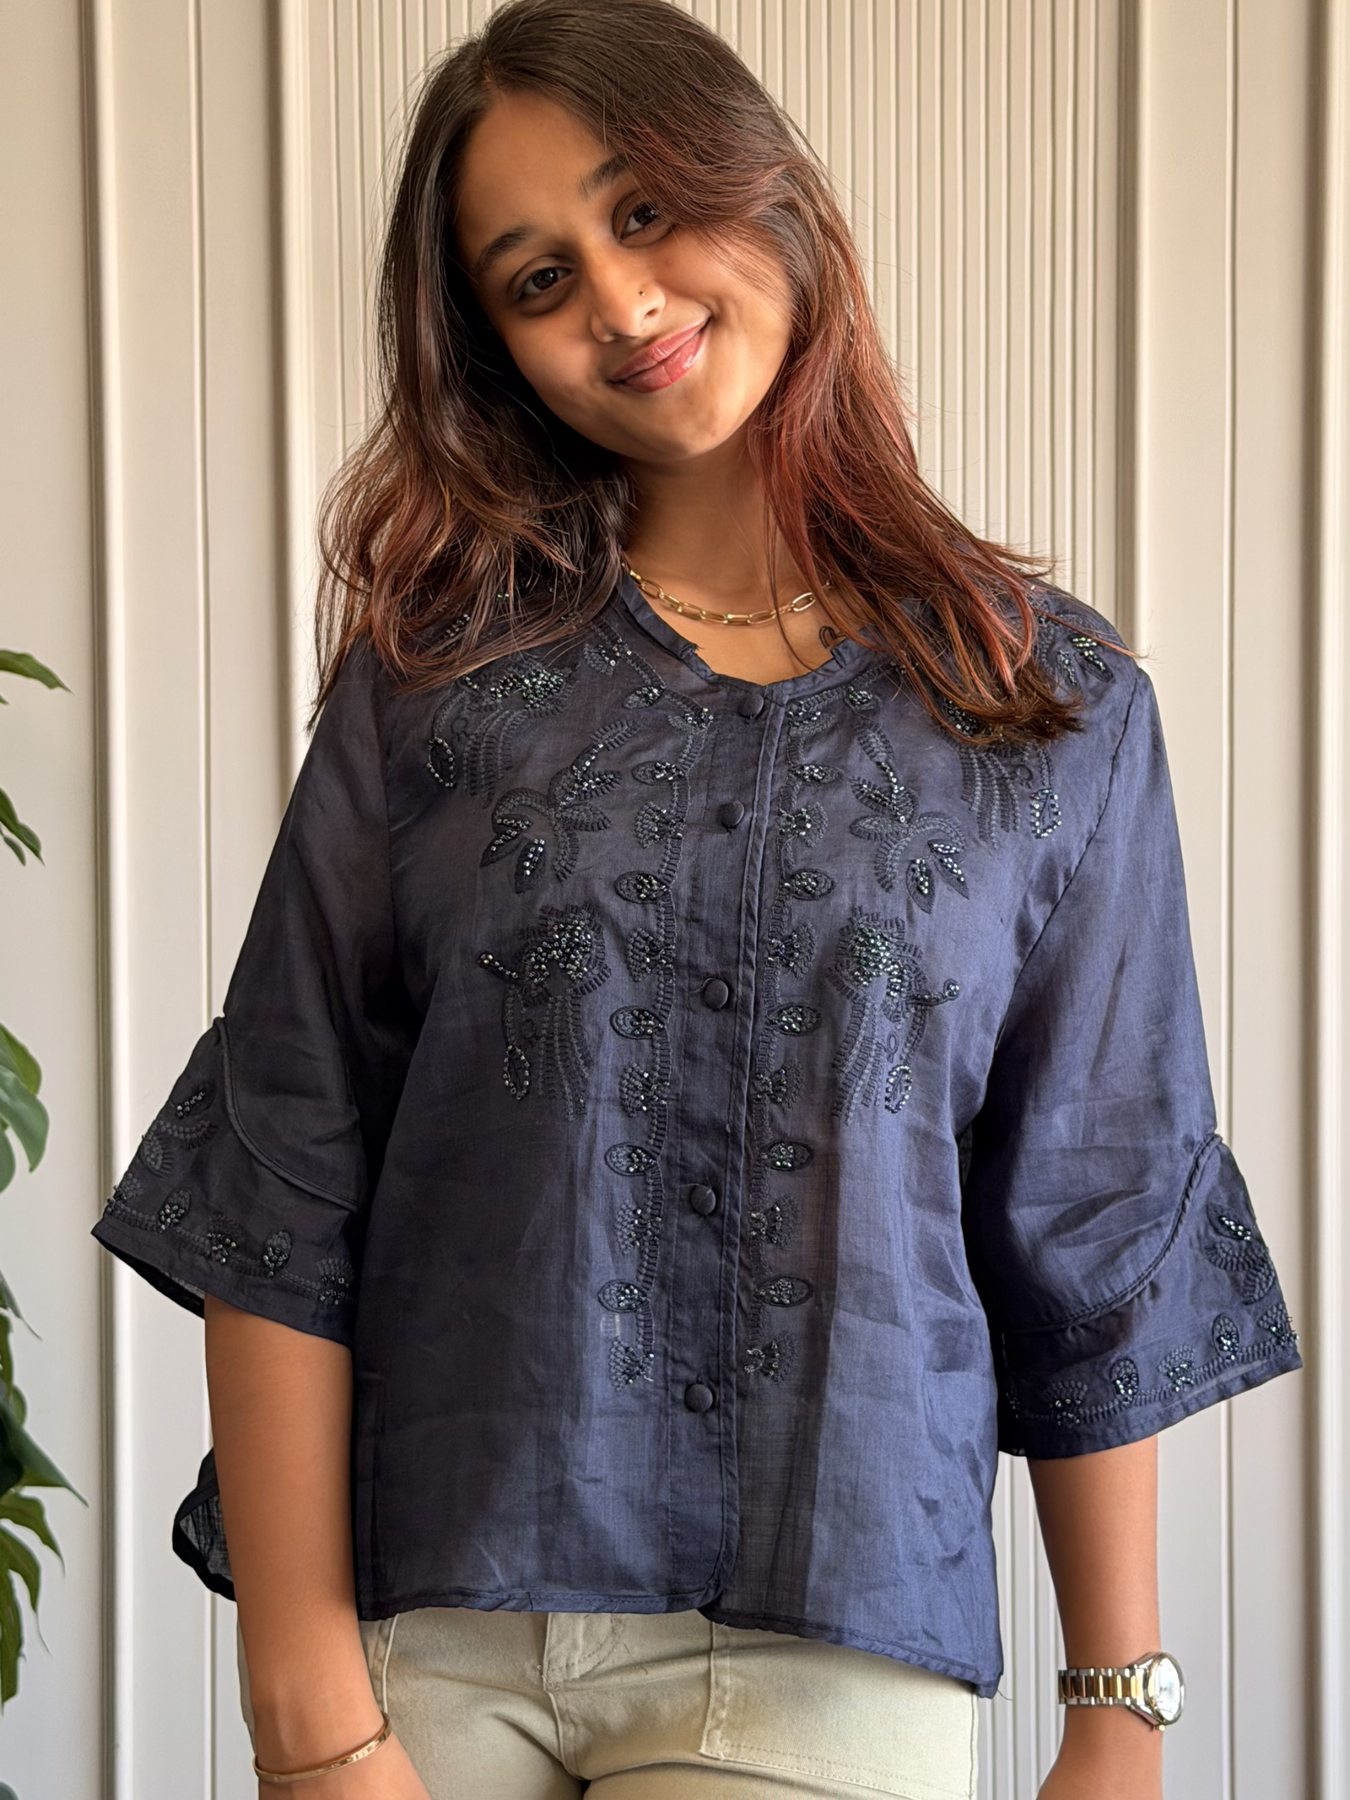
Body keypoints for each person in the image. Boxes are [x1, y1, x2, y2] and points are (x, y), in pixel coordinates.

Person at [90, 2, 1302, 1795]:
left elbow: (1093, 1209)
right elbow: (280, 1162)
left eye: (641, 211)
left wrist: (1116, 1711)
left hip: (827, 1639)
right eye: (536, 277)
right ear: (495, 348)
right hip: (428, 1645)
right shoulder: (434, 685)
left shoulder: (1043, 707)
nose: (617, 299)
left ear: (764, 190)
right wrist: (305, 1703)